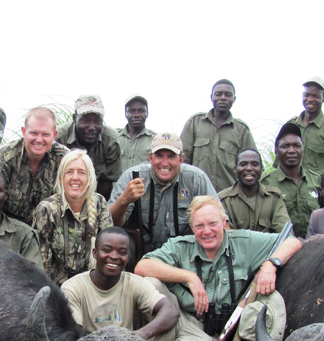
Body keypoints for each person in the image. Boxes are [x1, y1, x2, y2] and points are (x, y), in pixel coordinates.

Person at [135, 196, 302, 341]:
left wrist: (270, 265)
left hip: (208, 331)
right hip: (183, 316)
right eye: (199, 226)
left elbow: (292, 240)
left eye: (212, 224)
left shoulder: (245, 242)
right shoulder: (180, 246)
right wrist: (189, 277)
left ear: (223, 222)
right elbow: (142, 267)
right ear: (192, 228)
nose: (206, 231)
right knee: (151, 283)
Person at [61, 227, 182, 341]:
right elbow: (73, 334)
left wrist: (141, 335)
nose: (114, 256)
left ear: (128, 256)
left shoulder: (134, 282)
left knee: (167, 325)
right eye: (107, 250)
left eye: (122, 252)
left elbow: (171, 311)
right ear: (95, 253)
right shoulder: (73, 287)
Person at [108, 132, 217, 262]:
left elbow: (220, 222)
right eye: (159, 156)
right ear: (150, 157)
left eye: (171, 157)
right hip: (139, 252)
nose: (165, 163)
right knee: (113, 241)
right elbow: (110, 224)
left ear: (181, 159)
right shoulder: (131, 176)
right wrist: (124, 200)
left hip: (184, 253)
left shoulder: (197, 179)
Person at [32, 149, 113, 284]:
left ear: (89, 178)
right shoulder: (47, 209)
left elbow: (109, 252)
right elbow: (42, 264)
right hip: (57, 289)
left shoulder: (99, 203)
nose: (75, 177)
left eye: (81, 172)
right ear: (61, 178)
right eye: (69, 172)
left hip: (93, 285)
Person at [0, 107, 69, 224]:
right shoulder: (2, 157)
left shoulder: (65, 158)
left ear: (54, 135)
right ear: (24, 132)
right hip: (8, 226)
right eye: (34, 133)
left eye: (45, 134)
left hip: (48, 226)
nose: (39, 140)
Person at [180, 79, 257, 192]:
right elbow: (182, 159)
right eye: (218, 94)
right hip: (196, 193)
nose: (223, 98)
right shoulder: (195, 123)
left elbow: (251, 165)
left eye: (228, 95)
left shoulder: (241, 130)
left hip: (228, 197)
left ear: (234, 99)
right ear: (211, 97)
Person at [260, 123, 321, 238]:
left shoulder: (316, 180)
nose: (291, 150)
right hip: (282, 248)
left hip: (315, 248)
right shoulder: (266, 184)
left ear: (303, 149)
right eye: (285, 146)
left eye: (296, 145)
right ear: (276, 152)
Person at [55, 95, 121, 199]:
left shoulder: (111, 140)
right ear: (75, 118)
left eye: (97, 121)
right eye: (85, 121)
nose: (91, 127)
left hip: (94, 197)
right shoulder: (59, 137)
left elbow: (107, 182)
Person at [218, 149, 290, 232]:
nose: (249, 168)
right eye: (243, 164)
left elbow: (285, 232)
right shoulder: (223, 200)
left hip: (270, 245)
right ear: (235, 169)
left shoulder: (274, 198)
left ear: (262, 169)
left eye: (255, 164)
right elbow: (225, 236)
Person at [116, 95, 156, 170]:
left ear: (147, 113)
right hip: (119, 182)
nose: (136, 115)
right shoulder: (114, 137)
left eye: (141, 111)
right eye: (131, 111)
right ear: (125, 113)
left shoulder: (155, 140)